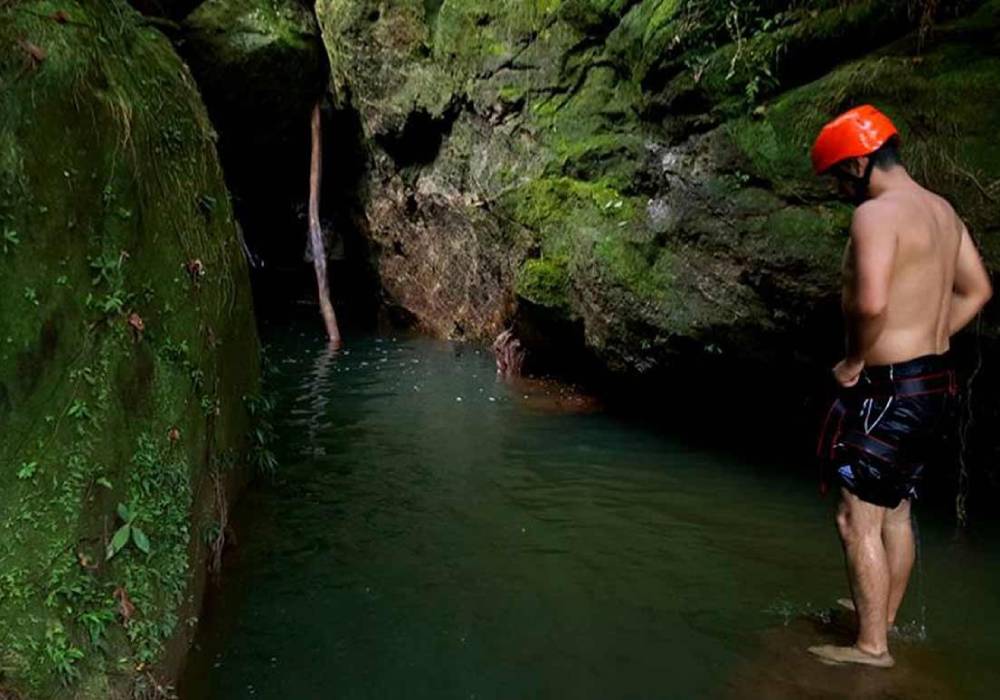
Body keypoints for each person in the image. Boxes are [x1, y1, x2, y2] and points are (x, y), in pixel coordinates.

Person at [808, 105, 992, 668]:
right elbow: (978, 290)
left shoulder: (877, 215)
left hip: (888, 389)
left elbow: (871, 302)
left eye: (841, 176)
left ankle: (871, 648)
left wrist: (855, 360)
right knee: (896, 510)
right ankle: (883, 616)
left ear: (862, 162)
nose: (842, 190)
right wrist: (930, 342)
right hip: (934, 385)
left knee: (855, 515)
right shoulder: (942, 210)